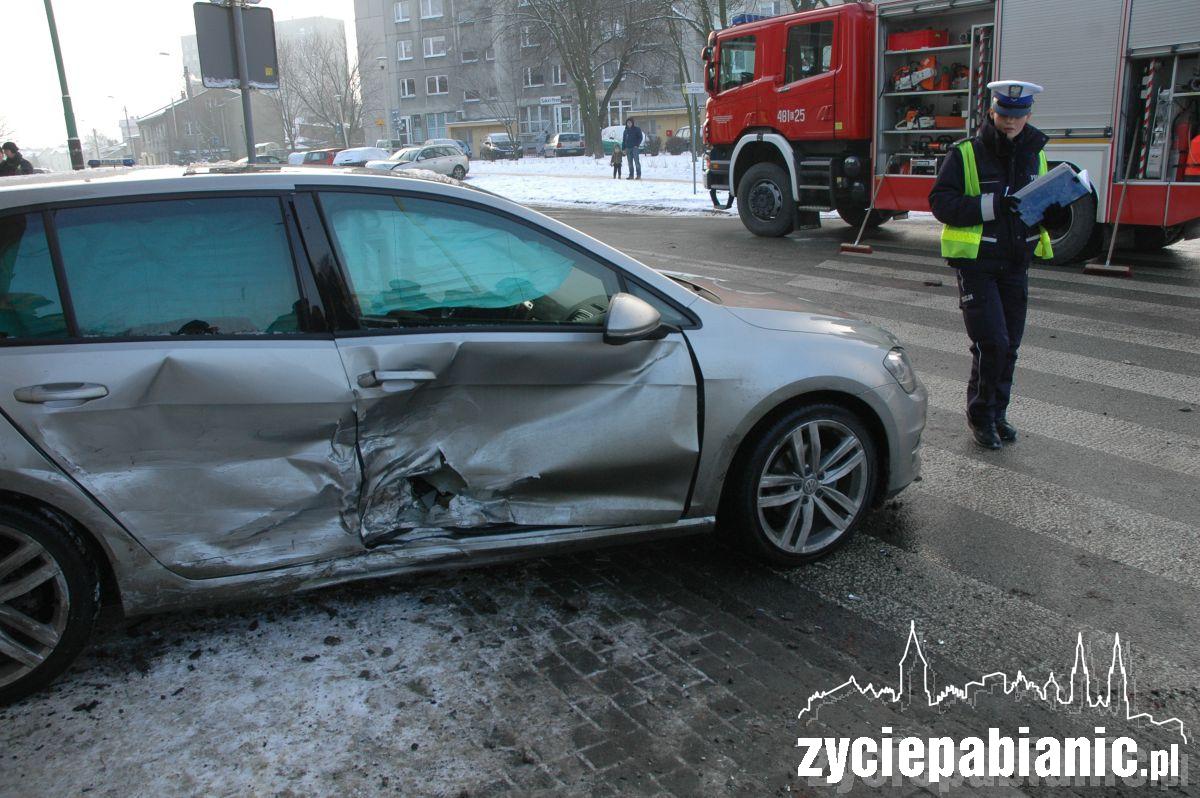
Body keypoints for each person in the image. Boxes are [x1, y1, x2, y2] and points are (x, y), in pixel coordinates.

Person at [929, 80, 1054, 450]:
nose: (1010, 121)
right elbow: (941, 203)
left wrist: (1059, 208)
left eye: (1017, 115)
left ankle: (999, 414)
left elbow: (1040, 208)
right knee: (992, 343)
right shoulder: (966, 153)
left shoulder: (1036, 154)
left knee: (1010, 345)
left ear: (1028, 115)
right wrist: (994, 203)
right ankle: (980, 416)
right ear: (991, 112)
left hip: (1016, 263)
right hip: (978, 264)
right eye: (1004, 114)